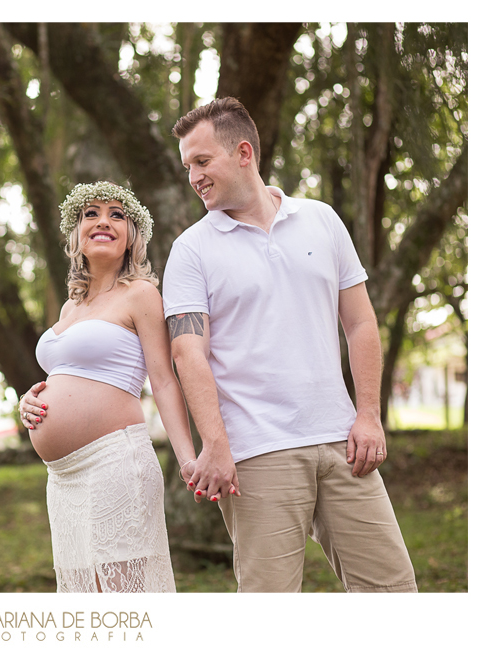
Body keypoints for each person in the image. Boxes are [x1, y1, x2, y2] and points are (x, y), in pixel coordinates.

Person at [163, 96, 417, 592]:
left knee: (394, 593)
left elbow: (361, 323)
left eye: (201, 161)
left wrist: (368, 414)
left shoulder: (321, 220)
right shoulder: (192, 249)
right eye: (187, 166)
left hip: (343, 444)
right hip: (258, 455)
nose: (193, 176)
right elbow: (187, 352)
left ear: (243, 152)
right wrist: (214, 445)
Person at [17, 181, 198, 593]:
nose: (103, 221)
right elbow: (69, 375)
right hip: (62, 477)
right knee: (83, 597)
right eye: (91, 213)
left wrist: (187, 459)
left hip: (114, 462)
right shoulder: (70, 306)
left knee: (122, 599)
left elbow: (165, 381)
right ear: (76, 233)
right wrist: (30, 400)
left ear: (132, 236)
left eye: (117, 214)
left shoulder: (140, 294)